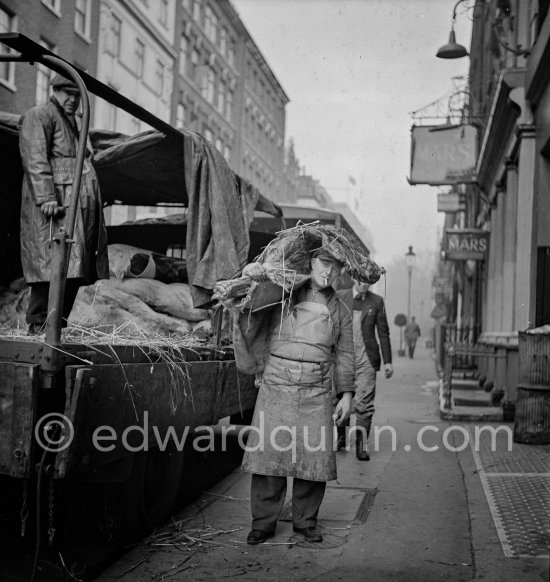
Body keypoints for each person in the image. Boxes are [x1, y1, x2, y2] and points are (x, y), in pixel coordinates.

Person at [233, 249, 355, 545]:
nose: (329, 273)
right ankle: (263, 523)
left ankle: (306, 522)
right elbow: (253, 316)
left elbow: (347, 353)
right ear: (312, 262)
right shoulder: (283, 293)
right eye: (325, 264)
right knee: (269, 458)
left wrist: (347, 394)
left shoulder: (341, 310)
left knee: (313, 459)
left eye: (335, 269)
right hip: (277, 382)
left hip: (317, 388)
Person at [19, 73, 109, 334]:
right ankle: (39, 327)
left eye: (77, 95)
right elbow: (34, 157)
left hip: (75, 206)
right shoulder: (40, 115)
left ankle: (56, 326)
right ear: (54, 91)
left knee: (74, 269)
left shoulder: (75, 122)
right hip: (56, 206)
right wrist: (45, 196)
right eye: (66, 93)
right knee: (49, 266)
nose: (72, 99)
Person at [336, 279, 393, 460]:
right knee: (339, 398)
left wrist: (388, 362)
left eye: (367, 282)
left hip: (366, 359)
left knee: (364, 404)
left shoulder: (377, 302)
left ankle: (361, 446)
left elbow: (383, 332)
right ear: (354, 278)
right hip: (343, 357)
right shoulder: (340, 296)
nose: (363, 284)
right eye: (361, 280)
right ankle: (342, 438)